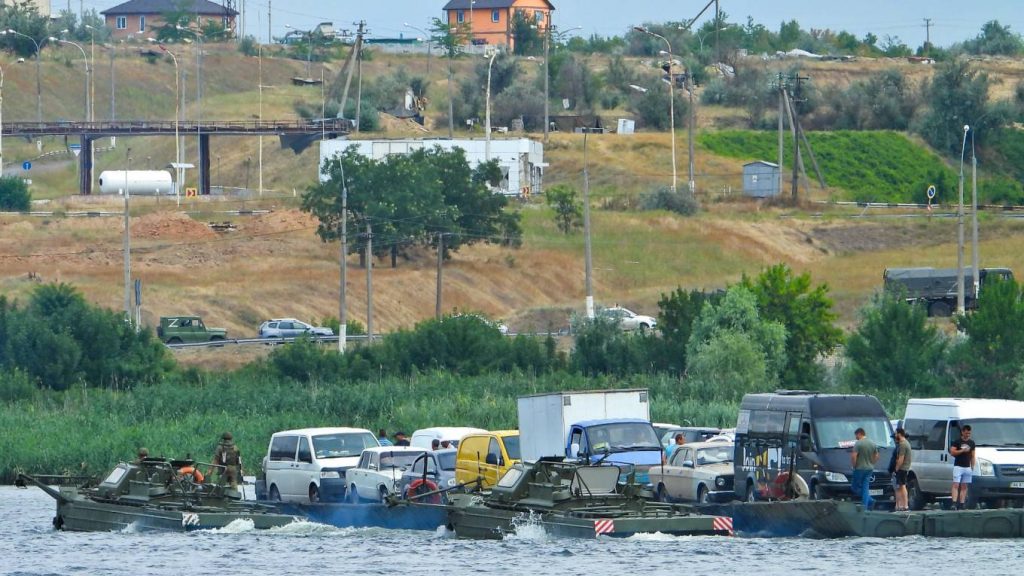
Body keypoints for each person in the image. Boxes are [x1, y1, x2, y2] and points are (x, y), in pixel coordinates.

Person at [850, 427, 879, 508]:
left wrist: (854, 466)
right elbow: (877, 455)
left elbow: (854, 456)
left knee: (854, 487)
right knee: (865, 487)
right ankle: (866, 505)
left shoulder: (858, 443)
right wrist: (872, 463)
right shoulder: (872, 443)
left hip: (859, 469)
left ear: (859, 433)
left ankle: (870, 501)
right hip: (869, 469)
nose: (856, 437)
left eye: (856, 435)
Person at [950, 424, 976, 510]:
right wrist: (962, 450)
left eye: (969, 433)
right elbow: (952, 452)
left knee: (964, 486)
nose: (967, 435)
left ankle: (962, 503)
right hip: (958, 466)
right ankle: (954, 503)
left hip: (967, 467)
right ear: (962, 432)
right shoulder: (957, 442)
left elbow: (973, 455)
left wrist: (972, 466)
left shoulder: (972, 443)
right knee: (956, 484)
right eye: (966, 433)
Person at [893, 427, 913, 511]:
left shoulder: (903, 444)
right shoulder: (906, 443)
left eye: (896, 433)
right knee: (901, 486)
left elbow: (901, 459)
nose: (895, 435)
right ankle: (902, 505)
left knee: (902, 486)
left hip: (902, 468)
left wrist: (896, 469)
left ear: (899, 434)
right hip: (905, 468)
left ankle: (904, 505)